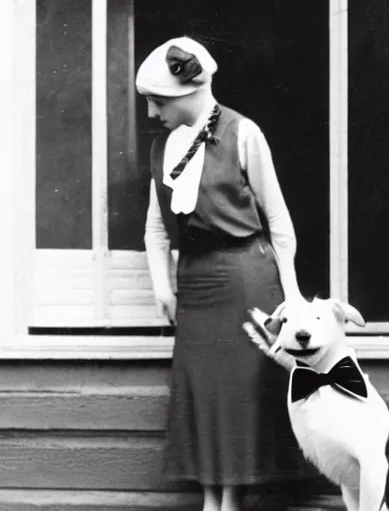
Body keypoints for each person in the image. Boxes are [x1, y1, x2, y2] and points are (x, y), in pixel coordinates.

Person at [136, 36, 307, 511]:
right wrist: (161, 286)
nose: (152, 113)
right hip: (195, 284)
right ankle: (212, 498)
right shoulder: (162, 147)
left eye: (158, 102)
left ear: (188, 92)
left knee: (237, 395)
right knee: (202, 393)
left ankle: (229, 501)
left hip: (244, 278)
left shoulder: (243, 134)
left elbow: (279, 224)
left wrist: (290, 295)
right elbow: (155, 227)